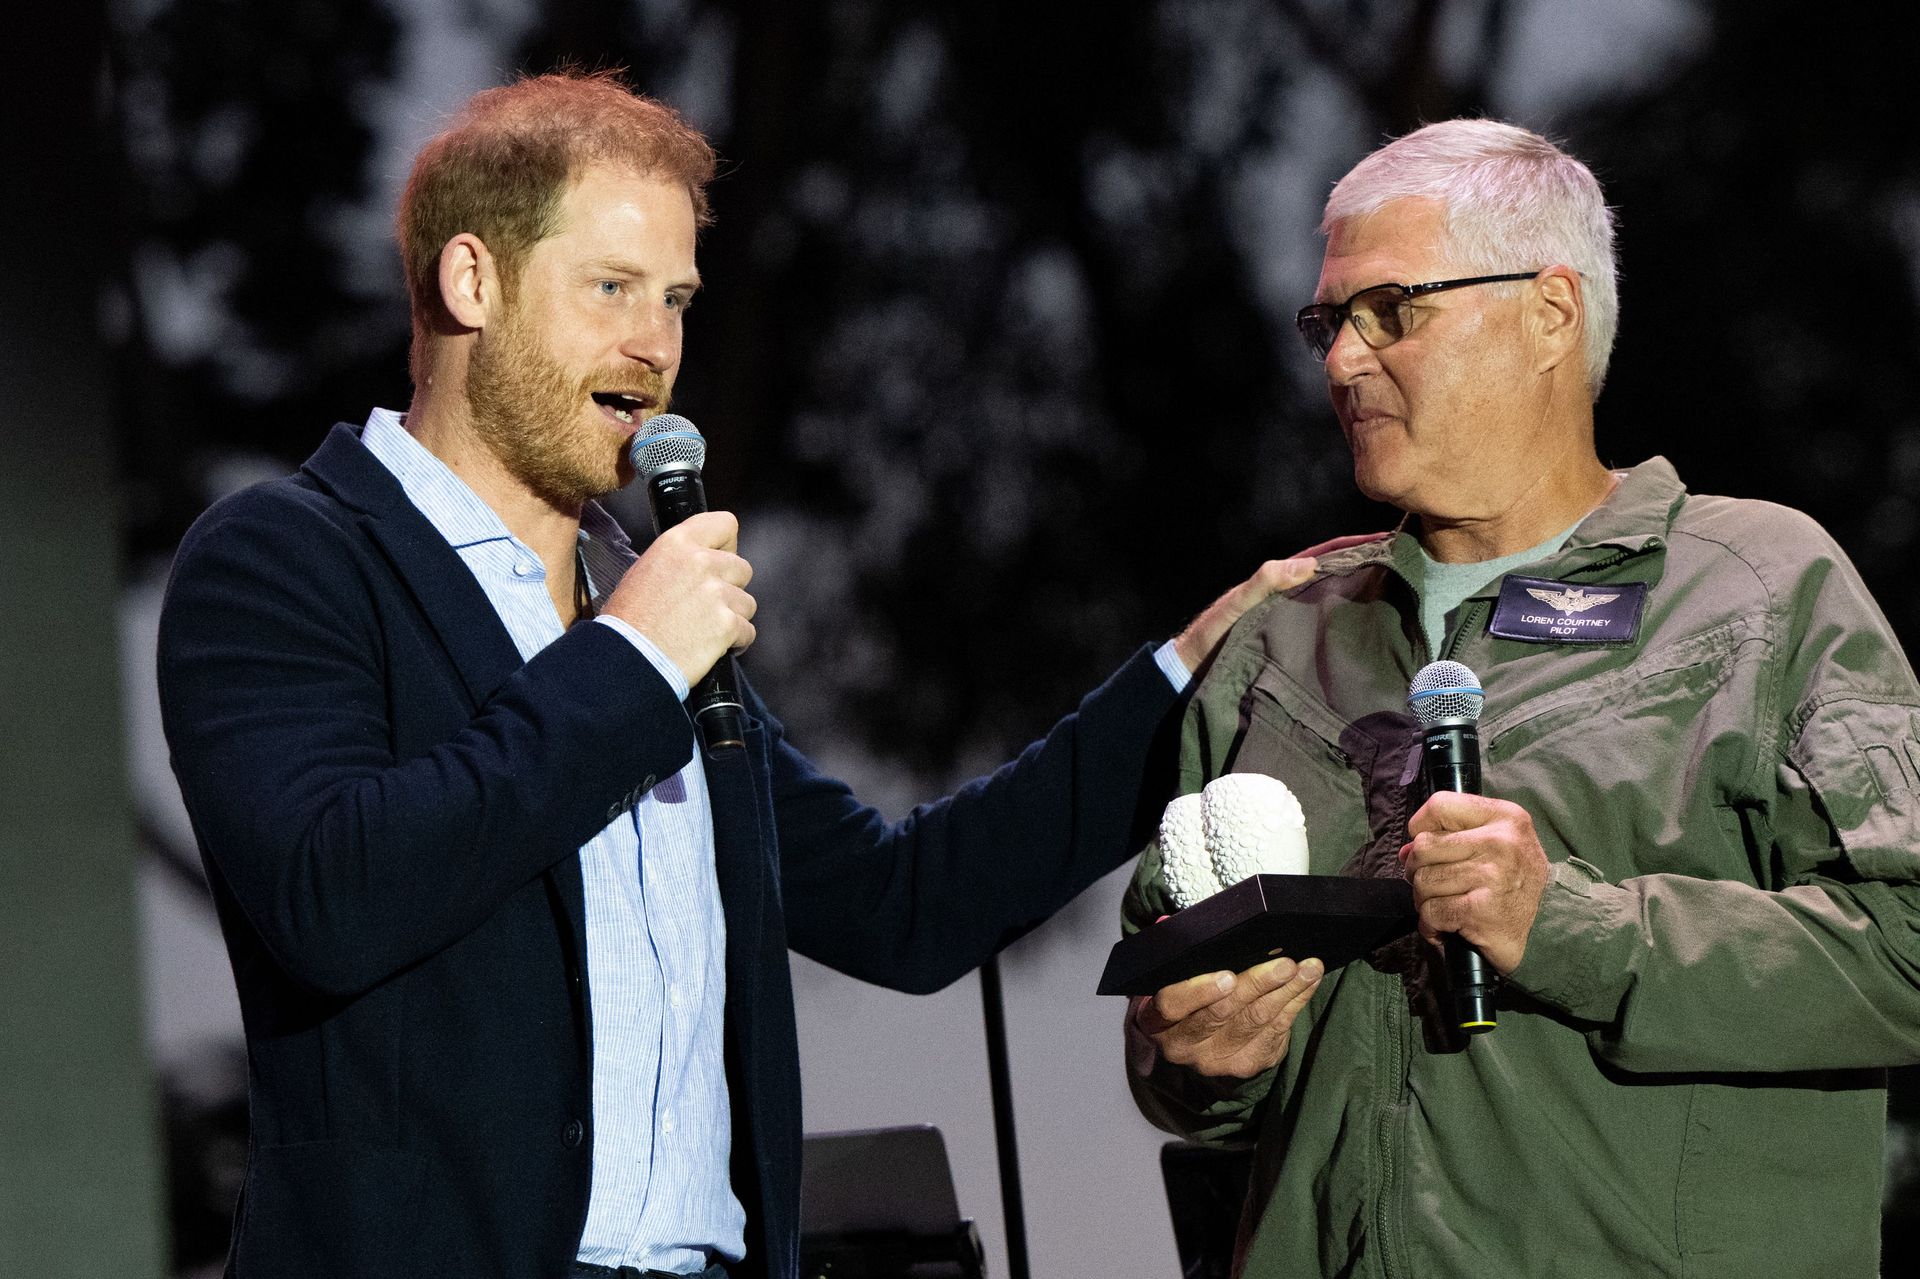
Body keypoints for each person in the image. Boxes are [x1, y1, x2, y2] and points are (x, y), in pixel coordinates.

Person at [156, 71, 1308, 1279]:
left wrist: (1185, 676)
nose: (654, 346)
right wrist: (634, 659)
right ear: (471, 282)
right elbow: (334, 896)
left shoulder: (637, 604)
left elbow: (899, 904)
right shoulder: (289, 557)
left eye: (677, 300)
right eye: (610, 288)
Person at [1121, 118, 1920, 1278]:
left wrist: (1575, 930)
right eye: (1327, 323)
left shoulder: (1762, 589)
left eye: (1392, 311)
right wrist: (1194, 1057)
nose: (1344, 360)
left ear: (1550, 313)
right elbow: (1173, 1046)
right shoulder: (1277, 645)